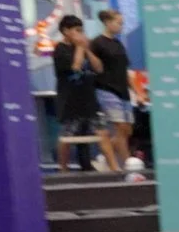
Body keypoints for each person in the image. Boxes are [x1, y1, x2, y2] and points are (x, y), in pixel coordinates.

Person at [51, 15, 103, 173]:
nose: (81, 34)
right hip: (70, 100)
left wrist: (86, 49)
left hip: (88, 99)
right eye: (77, 30)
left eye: (82, 30)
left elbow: (98, 68)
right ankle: (63, 169)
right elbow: (75, 67)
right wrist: (80, 48)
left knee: (92, 134)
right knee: (68, 135)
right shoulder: (60, 50)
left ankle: (86, 165)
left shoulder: (82, 48)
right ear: (66, 31)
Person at [91, 9, 135, 174]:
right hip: (106, 89)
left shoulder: (118, 44)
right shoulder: (97, 43)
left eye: (122, 23)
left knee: (127, 131)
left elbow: (125, 70)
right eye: (119, 23)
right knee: (120, 127)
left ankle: (107, 157)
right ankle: (126, 165)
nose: (121, 26)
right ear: (108, 22)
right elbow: (95, 67)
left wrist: (136, 91)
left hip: (123, 90)